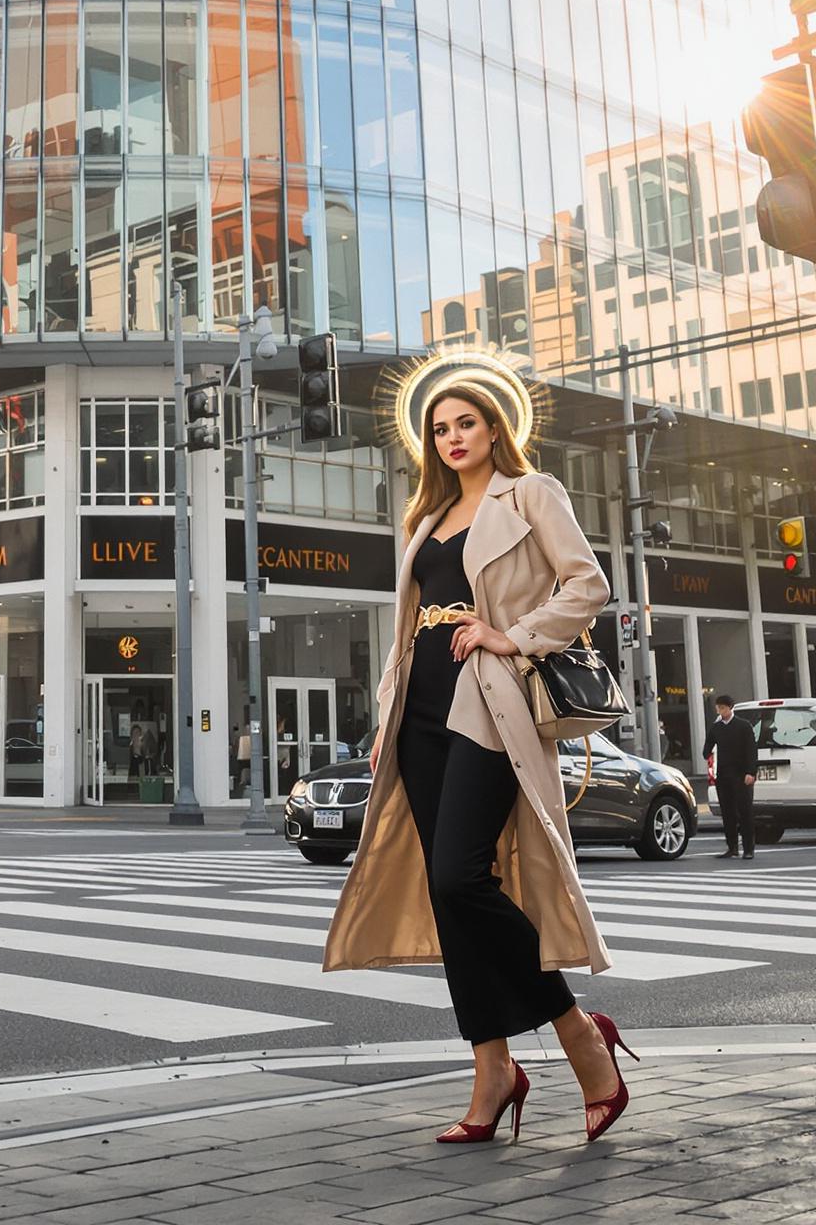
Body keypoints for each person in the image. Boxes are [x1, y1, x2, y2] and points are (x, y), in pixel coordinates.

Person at [323, 356, 632, 1148]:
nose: (453, 436)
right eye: (439, 428)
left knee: (463, 873)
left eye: (466, 422)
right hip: (420, 709)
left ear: (496, 428)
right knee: (447, 888)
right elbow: (406, 630)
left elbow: (586, 584)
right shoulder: (421, 519)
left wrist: (512, 636)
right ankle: (491, 1068)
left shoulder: (531, 494)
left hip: (490, 702)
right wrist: (386, 723)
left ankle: (578, 1035)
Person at [703, 694, 759, 860]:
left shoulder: (743, 726)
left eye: (722, 707)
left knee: (745, 811)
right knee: (727, 813)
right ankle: (732, 847)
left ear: (730, 708)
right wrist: (707, 753)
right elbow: (708, 745)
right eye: (718, 708)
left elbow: (751, 751)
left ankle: (749, 848)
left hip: (741, 775)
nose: (720, 711)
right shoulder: (717, 727)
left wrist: (751, 772)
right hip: (723, 775)